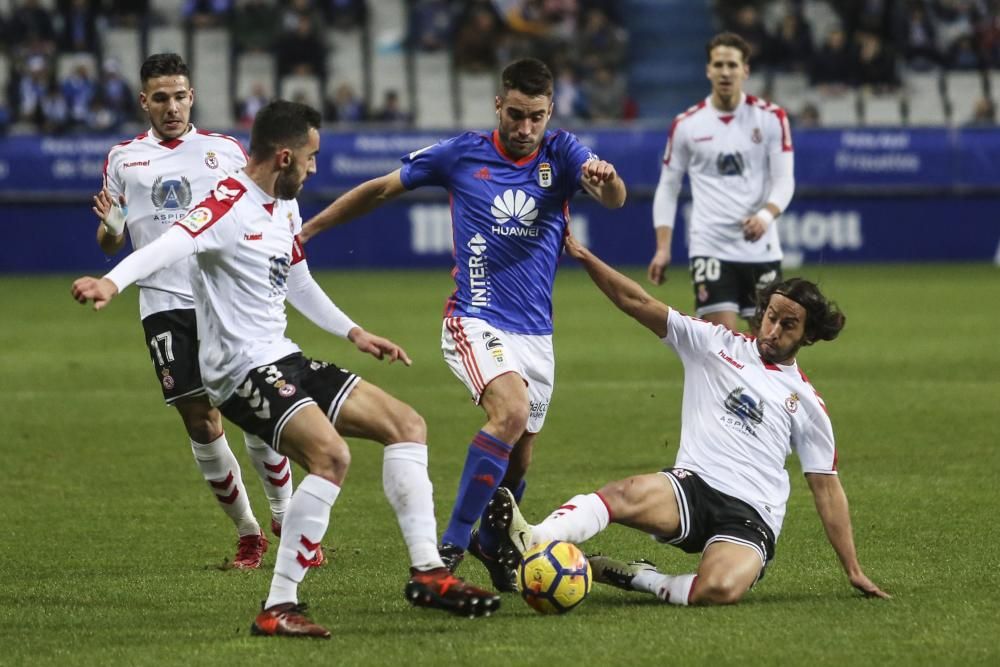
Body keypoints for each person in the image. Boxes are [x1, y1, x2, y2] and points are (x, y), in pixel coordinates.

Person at [72, 100, 501, 637]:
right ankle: (279, 606)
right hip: (236, 370)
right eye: (311, 157)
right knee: (331, 457)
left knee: (407, 426)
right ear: (282, 156)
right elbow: (170, 245)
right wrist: (111, 281)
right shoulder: (227, 204)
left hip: (282, 355)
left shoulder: (284, 205)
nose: (315, 167)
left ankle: (429, 575)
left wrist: (354, 332)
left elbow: (296, 280)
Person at [297, 57, 626, 591]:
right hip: (473, 318)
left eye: (535, 117)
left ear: (550, 112)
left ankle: (491, 543)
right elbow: (381, 189)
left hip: (536, 335)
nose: (524, 129)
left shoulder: (563, 153)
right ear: (499, 104)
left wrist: (606, 181)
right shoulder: (460, 154)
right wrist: (309, 229)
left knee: (518, 463)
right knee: (510, 412)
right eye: (515, 114)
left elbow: (614, 199)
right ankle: (448, 548)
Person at [487, 232, 890, 606]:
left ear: (808, 336)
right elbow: (638, 303)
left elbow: (826, 489)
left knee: (717, 589)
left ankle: (637, 577)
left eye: (789, 325)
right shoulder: (714, 343)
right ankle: (532, 539)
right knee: (623, 494)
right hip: (692, 490)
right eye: (771, 316)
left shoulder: (807, 402)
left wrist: (852, 570)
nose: (774, 329)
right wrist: (585, 256)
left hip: (752, 515)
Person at [94, 53, 298, 570]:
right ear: (144, 101)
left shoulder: (224, 151)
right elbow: (108, 242)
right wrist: (112, 229)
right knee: (202, 422)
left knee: (258, 413)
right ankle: (250, 533)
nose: (171, 107)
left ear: (192, 96)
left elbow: (262, 207)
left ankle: (287, 517)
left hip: (227, 300)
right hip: (163, 304)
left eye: (180, 96)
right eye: (160, 98)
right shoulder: (123, 158)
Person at [648, 32, 795, 334]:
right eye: (718, 64)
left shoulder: (771, 118)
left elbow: (785, 181)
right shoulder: (687, 124)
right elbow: (668, 187)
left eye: (732, 64)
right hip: (710, 245)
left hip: (761, 249)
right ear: (708, 70)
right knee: (721, 347)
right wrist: (662, 248)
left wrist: (766, 216)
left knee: (765, 349)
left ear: (745, 70)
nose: (725, 72)